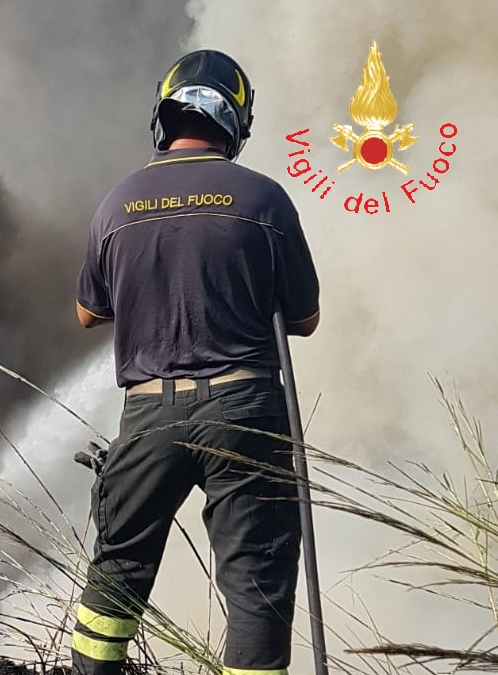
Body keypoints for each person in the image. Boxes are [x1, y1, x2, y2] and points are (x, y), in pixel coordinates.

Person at [71, 49, 320, 675]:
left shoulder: (117, 204)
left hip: (149, 411)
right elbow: (305, 319)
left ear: (163, 114)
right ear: (237, 121)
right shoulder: (264, 200)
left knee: (118, 566)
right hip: (243, 408)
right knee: (256, 581)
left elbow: (86, 312)